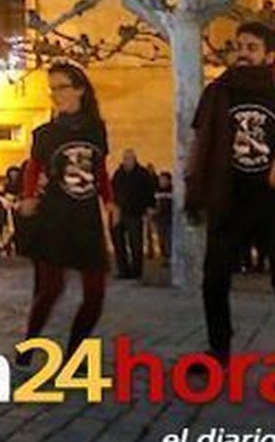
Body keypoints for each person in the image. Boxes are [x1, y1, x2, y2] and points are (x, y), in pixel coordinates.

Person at [186, 20, 275, 380]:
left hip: (272, 205)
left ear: (270, 55)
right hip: (227, 201)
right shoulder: (218, 93)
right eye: (238, 45)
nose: (242, 51)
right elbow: (200, 147)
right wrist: (194, 192)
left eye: (251, 47)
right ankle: (219, 350)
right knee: (214, 280)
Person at [17, 63, 113, 362]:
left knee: (95, 292)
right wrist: (29, 196)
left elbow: (99, 169)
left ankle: (75, 351)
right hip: (55, 216)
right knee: (50, 289)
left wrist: (110, 201)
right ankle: (29, 346)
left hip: (86, 217)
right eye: (52, 88)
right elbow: (33, 169)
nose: (56, 94)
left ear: (80, 90)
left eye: (61, 87)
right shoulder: (45, 133)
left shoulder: (96, 129)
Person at [110, 149, 155, 279]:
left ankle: (136, 271)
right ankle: (123, 270)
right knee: (119, 243)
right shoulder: (118, 174)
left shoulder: (142, 174)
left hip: (135, 213)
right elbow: (113, 190)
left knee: (136, 243)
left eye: (129, 158)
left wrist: (149, 207)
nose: (127, 161)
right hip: (119, 212)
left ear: (135, 159)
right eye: (125, 158)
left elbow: (149, 191)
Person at [152, 170, 173, 261]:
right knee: (161, 239)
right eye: (160, 179)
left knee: (169, 239)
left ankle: (169, 257)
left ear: (168, 180)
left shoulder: (173, 191)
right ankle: (164, 256)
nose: (161, 181)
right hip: (159, 220)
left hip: (169, 220)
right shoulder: (156, 191)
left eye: (164, 179)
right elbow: (153, 204)